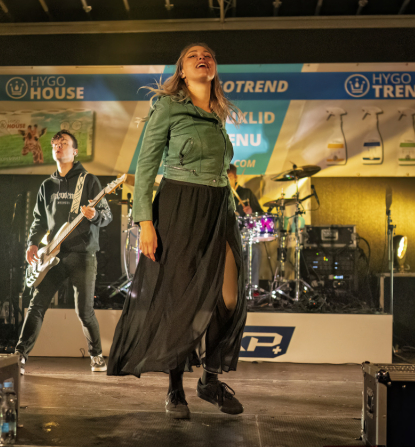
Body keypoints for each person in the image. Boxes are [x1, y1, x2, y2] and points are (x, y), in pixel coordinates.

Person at [107, 43, 247, 418]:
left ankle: (209, 380)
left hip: (219, 210)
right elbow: (146, 165)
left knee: (229, 298)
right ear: (182, 71)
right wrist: (145, 223)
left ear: (214, 68)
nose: (203, 57)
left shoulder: (218, 113)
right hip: (180, 206)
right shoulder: (168, 107)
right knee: (179, 300)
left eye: (209, 55)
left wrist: (231, 212)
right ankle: (175, 387)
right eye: (193, 55)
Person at [16, 130, 112, 374]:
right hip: (52, 256)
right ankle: (20, 355)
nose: (58, 146)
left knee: (84, 312)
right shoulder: (47, 186)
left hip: (82, 255)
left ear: (75, 151)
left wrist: (95, 215)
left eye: (64, 143)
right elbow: (39, 221)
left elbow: (107, 216)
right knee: (37, 305)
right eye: (55, 144)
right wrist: (32, 243)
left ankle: (97, 356)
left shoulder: (89, 181)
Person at [228, 164, 264, 291]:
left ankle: (252, 289)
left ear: (236, 178)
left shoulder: (246, 193)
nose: (227, 180)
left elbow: (261, 214)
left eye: (230, 177)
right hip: (228, 237)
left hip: (245, 236)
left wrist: (252, 212)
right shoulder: (222, 196)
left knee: (256, 251)